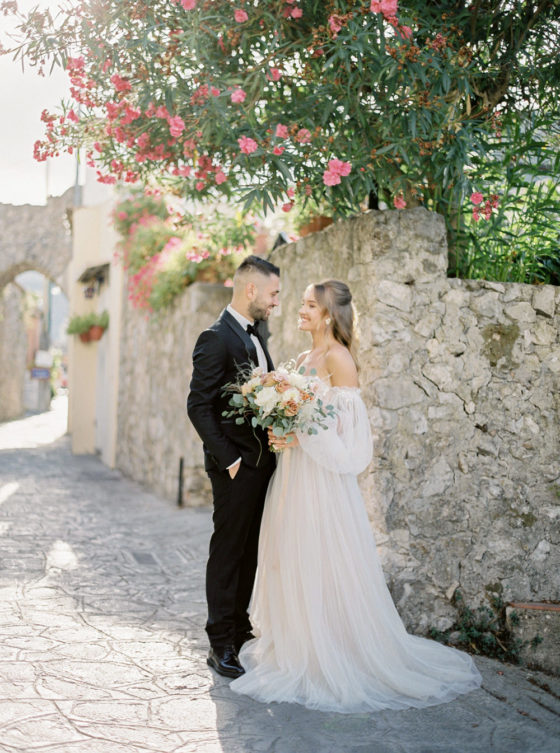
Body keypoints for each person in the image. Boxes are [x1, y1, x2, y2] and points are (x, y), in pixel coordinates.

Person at [230, 279, 482, 712]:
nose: (301, 310)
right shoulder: (306, 357)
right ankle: (297, 648)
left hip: (321, 484)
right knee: (293, 558)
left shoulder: (339, 359)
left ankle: (331, 655)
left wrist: (298, 435)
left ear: (328, 314)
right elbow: (304, 422)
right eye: (303, 303)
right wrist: (282, 429)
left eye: (310, 305)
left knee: (321, 561)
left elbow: (349, 443)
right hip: (292, 480)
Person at [187, 255, 280, 679]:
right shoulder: (215, 337)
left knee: (249, 552)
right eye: (273, 293)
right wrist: (232, 461)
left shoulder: (258, 335)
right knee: (227, 551)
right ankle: (219, 642)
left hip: (264, 465)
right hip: (236, 468)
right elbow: (198, 406)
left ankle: (240, 629)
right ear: (251, 291)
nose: (276, 301)